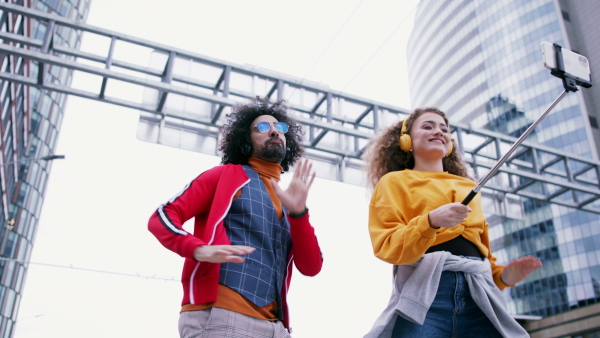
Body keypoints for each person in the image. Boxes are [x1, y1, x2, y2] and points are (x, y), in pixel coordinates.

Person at [148, 97, 323, 338]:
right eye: (262, 127)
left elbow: (312, 267)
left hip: (276, 327)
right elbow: (162, 216)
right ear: (245, 140)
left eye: (280, 127)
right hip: (222, 316)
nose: (274, 130)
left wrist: (299, 214)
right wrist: (198, 249)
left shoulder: (290, 199)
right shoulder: (224, 176)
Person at [363, 107, 542, 338]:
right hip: (427, 293)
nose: (438, 131)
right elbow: (387, 246)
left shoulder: (470, 187)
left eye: (444, 129)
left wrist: (504, 277)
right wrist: (431, 221)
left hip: (480, 293)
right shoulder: (393, 183)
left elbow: (483, 249)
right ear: (406, 140)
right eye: (428, 126)